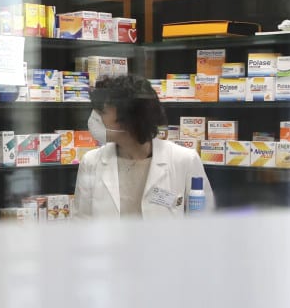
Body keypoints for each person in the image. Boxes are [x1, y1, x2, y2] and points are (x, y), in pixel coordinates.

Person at [73, 75, 214, 218]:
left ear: (129, 119)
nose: (94, 118)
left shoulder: (184, 160)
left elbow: (205, 223)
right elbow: (82, 222)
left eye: (102, 112)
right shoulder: (91, 162)